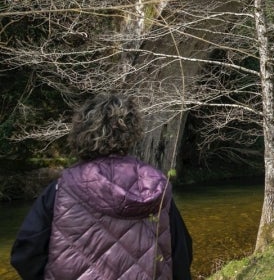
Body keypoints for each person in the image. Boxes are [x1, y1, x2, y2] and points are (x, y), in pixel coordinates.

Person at [10, 93, 193, 280]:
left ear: (82, 133)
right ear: (132, 134)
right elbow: (181, 255)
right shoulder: (157, 186)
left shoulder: (61, 188)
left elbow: (25, 254)